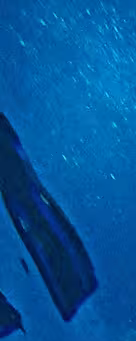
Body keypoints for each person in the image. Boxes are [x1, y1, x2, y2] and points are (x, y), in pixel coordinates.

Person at [0, 112, 97, 324]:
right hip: (21, 186)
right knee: (41, 224)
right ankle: (74, 287)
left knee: (40, 225)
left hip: (20, 187)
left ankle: (73, 288)